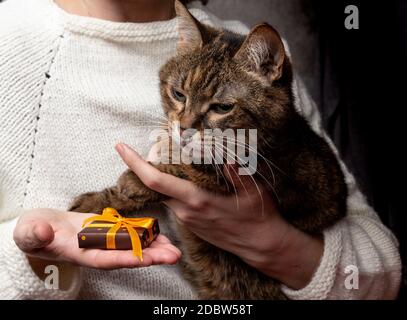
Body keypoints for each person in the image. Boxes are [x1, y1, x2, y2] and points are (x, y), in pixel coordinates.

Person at [0, 0, 401, 300]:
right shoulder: (12, 40)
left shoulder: (245, 49)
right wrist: (36, 256)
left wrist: (275, 244)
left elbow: (382, 272)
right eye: (177, 98)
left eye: (219, 107)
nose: (185, 125)